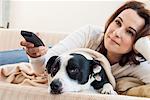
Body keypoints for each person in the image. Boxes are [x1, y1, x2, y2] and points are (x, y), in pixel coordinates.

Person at [20, 0, 150, 86]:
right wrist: (36, 56)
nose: (117, 33)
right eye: (117, 22)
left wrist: (145, 46)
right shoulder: (90, 34)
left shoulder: (136, 64)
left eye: (130, 32)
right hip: (31, 55)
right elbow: (43, 68)